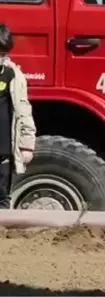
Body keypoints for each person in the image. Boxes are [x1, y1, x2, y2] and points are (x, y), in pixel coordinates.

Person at [0, 23, 36, 209]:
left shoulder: (13, 74)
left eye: (3, 54)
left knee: (2, 197)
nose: (0, 58)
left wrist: (26, 145)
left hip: (3, 149)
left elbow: (23, 110)